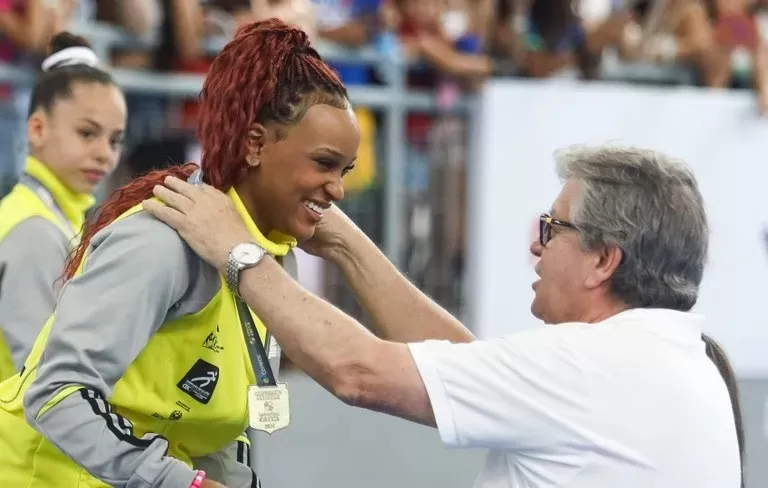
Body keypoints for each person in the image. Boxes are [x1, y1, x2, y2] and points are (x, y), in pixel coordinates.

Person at [145, 145, 744, 488]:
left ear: (603, 261)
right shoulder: (671, 360)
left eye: (553, 228)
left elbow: (358, 371)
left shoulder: (589, 367)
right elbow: (467, 366)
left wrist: (236, 249)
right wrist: (347, 245)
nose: (536, 245)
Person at [0, 19, 358, 488]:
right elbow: (55, 392)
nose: (339, 189)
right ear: (254, 145)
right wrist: (179, 482)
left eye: (114, 139)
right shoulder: (158, 243)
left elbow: (211, 423)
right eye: (324, 163)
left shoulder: (268, 258)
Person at [0, 31, 126, 382]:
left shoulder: (48, 218)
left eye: (115, 140)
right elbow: (41, 382)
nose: (105, 154)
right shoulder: (33, 232)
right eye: (88, 133)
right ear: (37, 129)